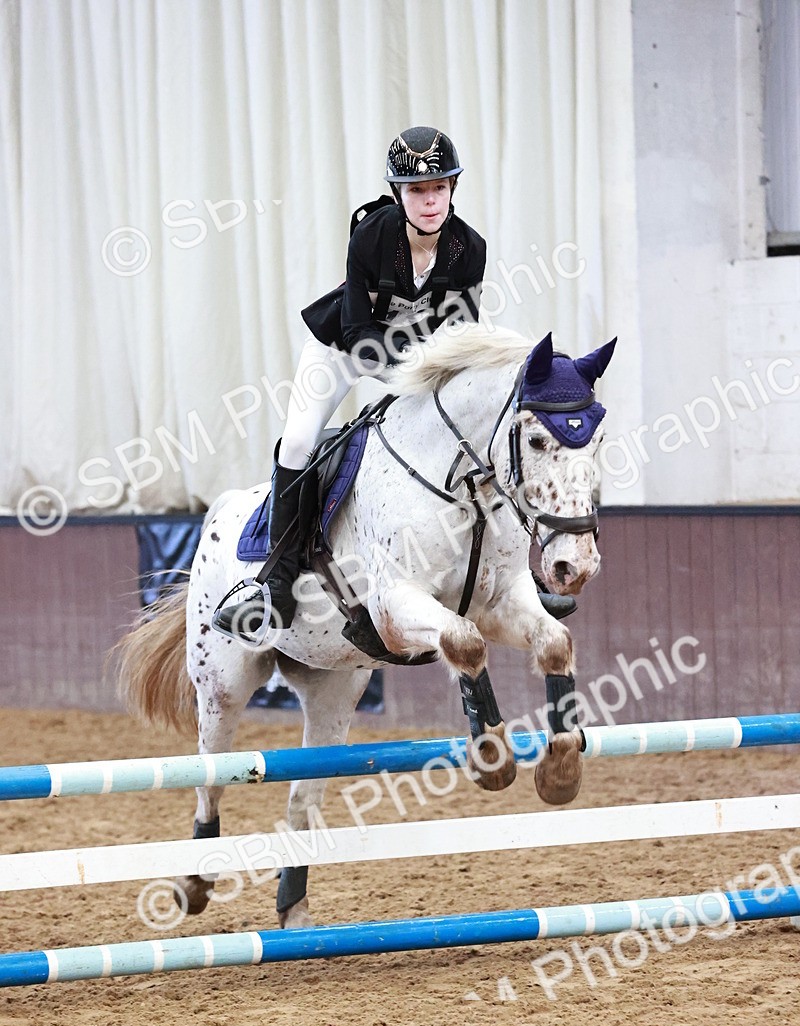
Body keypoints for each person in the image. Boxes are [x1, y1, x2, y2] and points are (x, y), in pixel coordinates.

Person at [216, 125, 573, 640]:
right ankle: (275, 584)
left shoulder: (468, 248)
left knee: (475, 437)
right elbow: (361, 330)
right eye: (416, 190)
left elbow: (461, 333)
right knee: (298, 440)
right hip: (345, 349)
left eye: (438, 188)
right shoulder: (372, 235)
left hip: (420, 359)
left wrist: (442, 379)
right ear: (397, 193)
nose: (429, 201)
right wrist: (411, 373)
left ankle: (514, 576)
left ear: (453, 188)